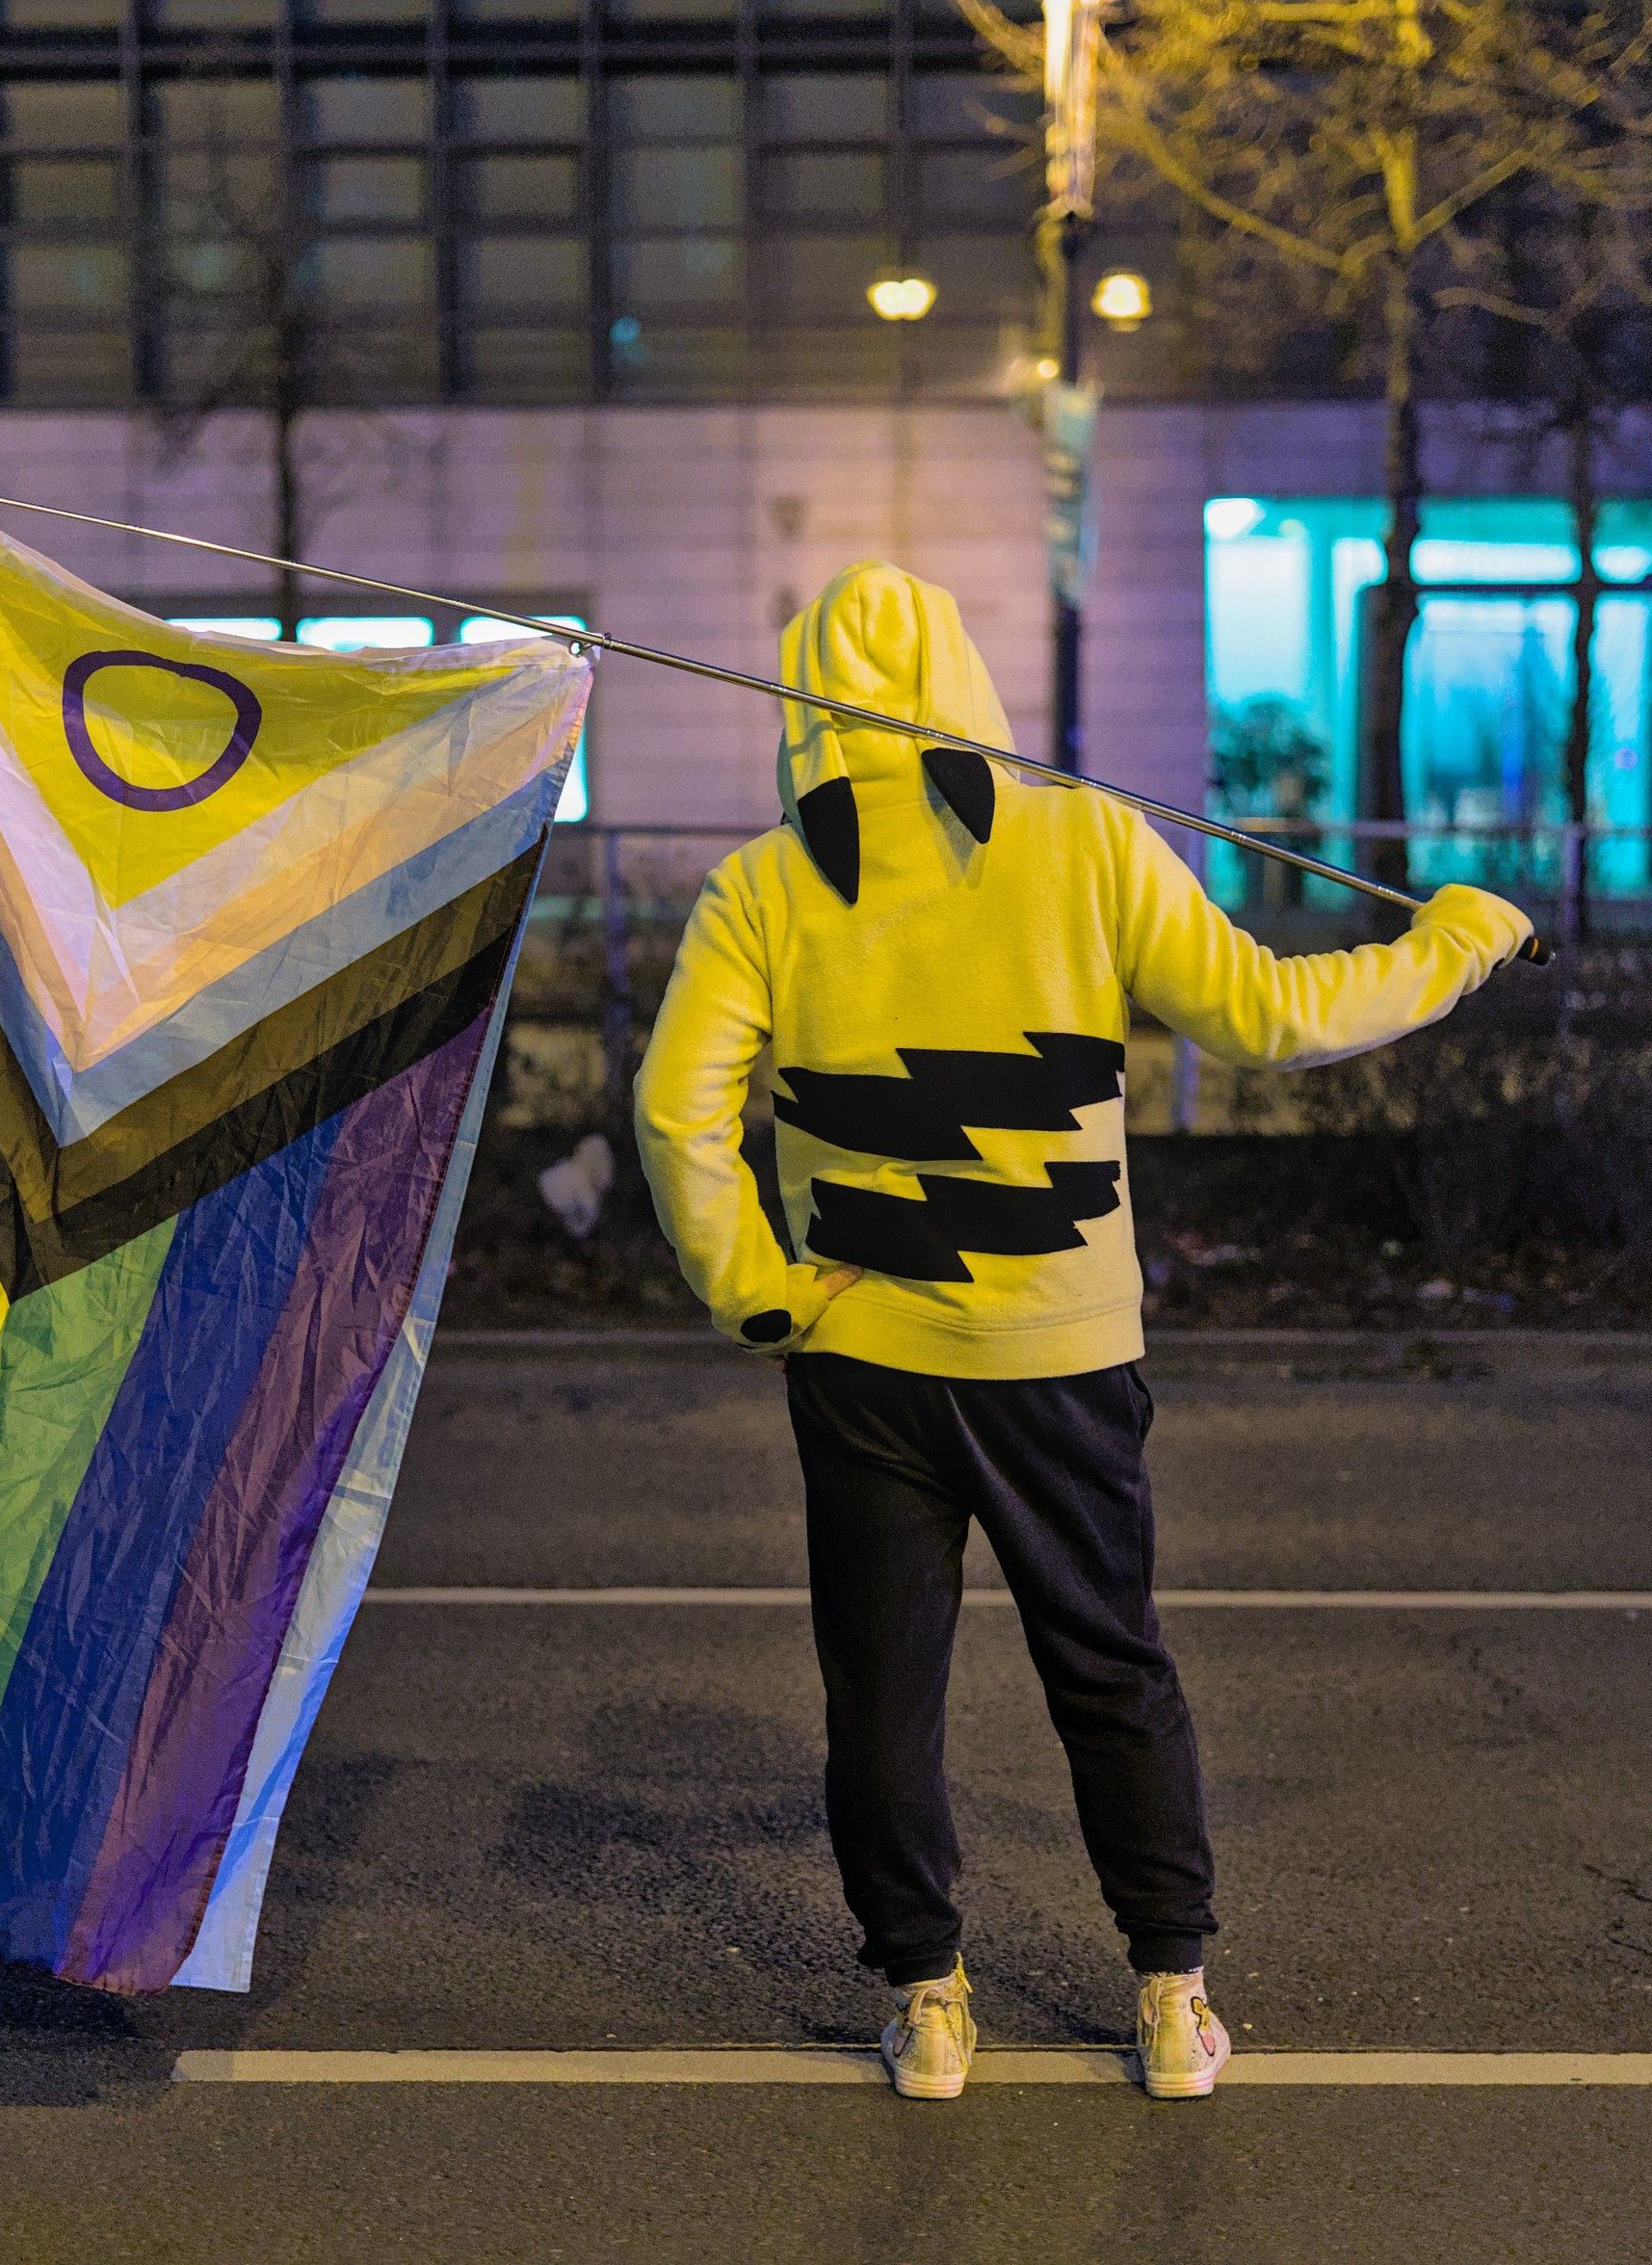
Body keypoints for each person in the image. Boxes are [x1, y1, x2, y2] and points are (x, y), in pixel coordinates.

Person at [632, 562, 1535, 2102]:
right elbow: (1267, 1016)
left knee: (881, 1687)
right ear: (963, 678)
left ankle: (925, 2000)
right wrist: (1453, 940)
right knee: (1110, 1666)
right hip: (1059, 1354)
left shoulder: (766, 883)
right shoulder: (1086, 836)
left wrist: (758, 1285)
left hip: (858, 1359)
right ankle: (1170, 1994)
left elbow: (675, 1110)